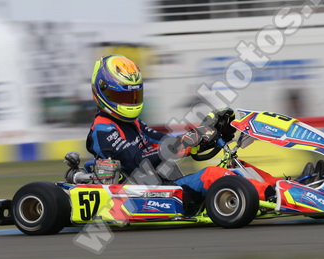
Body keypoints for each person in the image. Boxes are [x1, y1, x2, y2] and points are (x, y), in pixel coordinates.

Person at [83, 54, 238, 201]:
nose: (129, 102)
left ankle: (251, 195)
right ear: (103, 92)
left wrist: (203, 138)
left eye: (134, 96)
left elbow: (163, 141)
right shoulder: (103, 130)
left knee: (231, 171)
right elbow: (137, 161)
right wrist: (183, 143)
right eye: (123, 97)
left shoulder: (133, 123)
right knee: (213, 175)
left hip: (159, 188)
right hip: (137, 197)